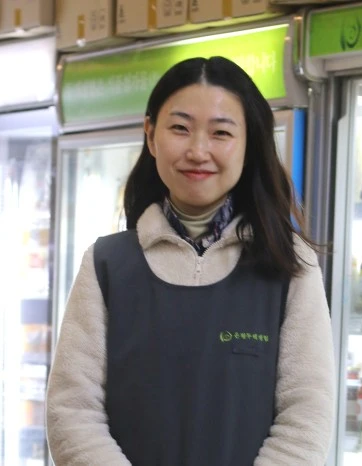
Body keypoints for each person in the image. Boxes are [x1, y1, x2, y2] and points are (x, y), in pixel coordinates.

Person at [46, 56, 335, 465]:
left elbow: (307, 417)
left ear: (250, 143)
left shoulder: (289, 264)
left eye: (221, 133)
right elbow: (72, 411)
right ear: (151, 136)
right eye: (180, 128)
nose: (198, 151)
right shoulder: (106, 264)